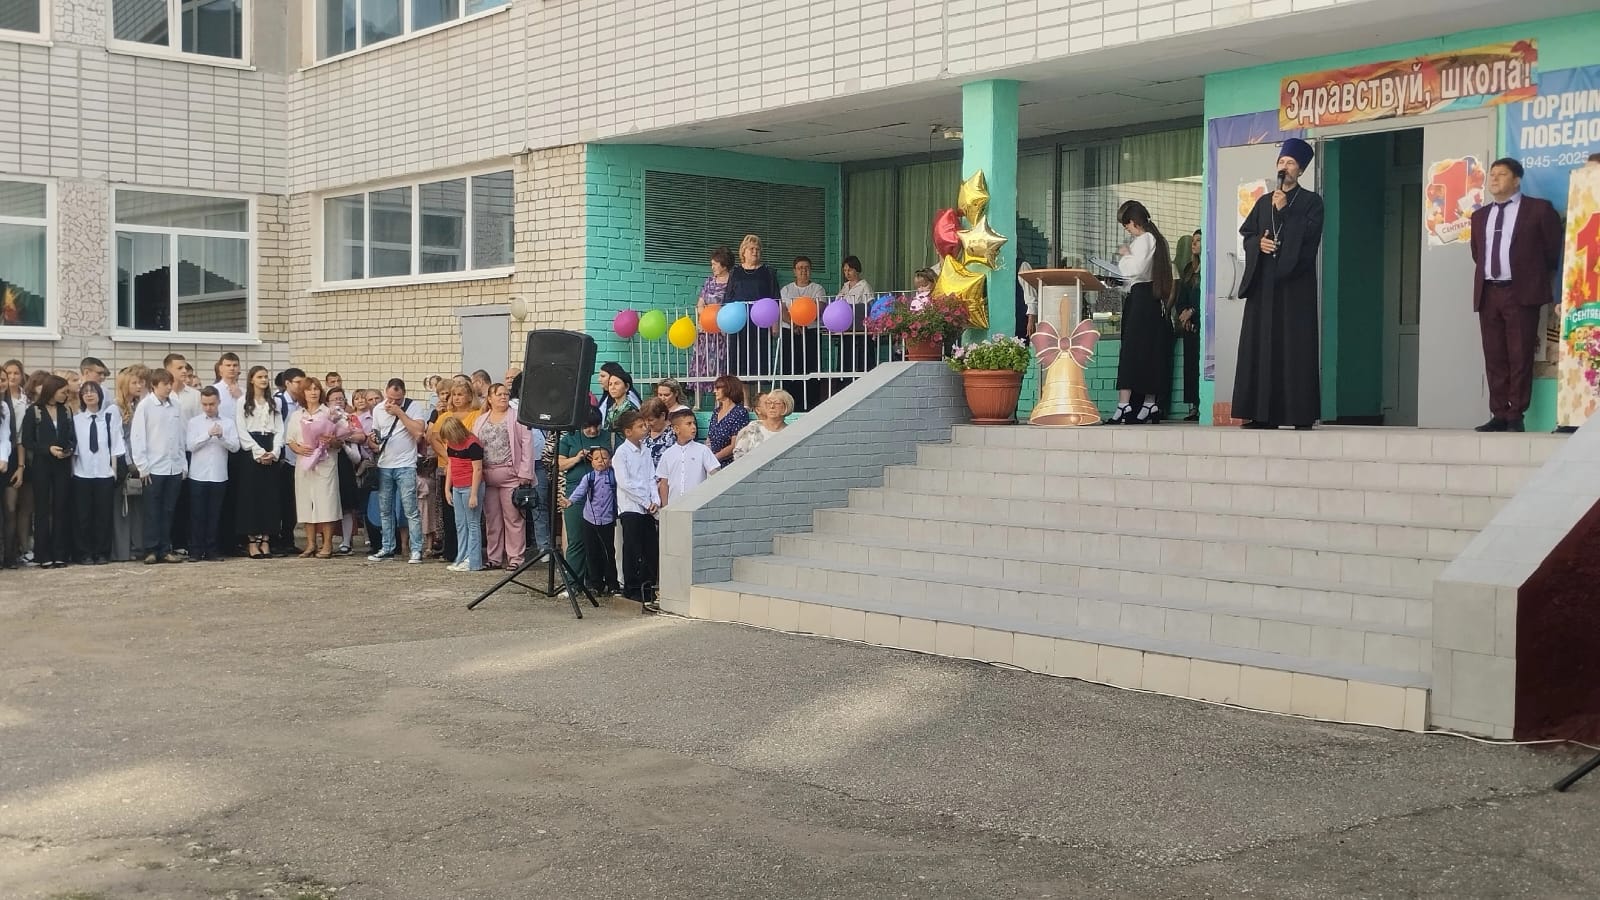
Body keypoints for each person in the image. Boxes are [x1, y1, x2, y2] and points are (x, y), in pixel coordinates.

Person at [1233, 137, 1326, 431]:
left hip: (1295, 287)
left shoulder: (1311, 202)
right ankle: (1262, 414)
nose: (1285, 167)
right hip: (1265, 284)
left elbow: (1309, 238)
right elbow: (1248, 234)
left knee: (1293, 346)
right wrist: (1257, 244)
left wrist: (1286, 210)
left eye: (1291, 163)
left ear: (1301, 170)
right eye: (1282, 162)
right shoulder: (1264, 201)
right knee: (1261, 344)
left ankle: (1299, 415)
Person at [1469, 157, 1563, 433]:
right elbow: (1477, 253)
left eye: (1501, 174)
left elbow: (1553, 252)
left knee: (1520, 354)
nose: (1494, 179)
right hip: (1489, 292)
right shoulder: (1480, 216)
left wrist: (1531, 275)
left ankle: (1515, 414)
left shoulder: (1538, 210)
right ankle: (1498, 413)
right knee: (1494, 355)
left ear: (1517, 180)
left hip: (1521, 292)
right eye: (1492, 174)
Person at [1109, 201, 1175, 425]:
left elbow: (1134, 270)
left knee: (1132, 351)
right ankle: (1149, 403)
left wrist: (1126, 255)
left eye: (1126, 224)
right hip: (1145, 298)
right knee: (1147, 351)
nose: (1126, 229)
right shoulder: (1153, 240)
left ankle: (1126, 404)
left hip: (1142, 301)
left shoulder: (1145, 239)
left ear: (1134, 221)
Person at [473, 383, 532, 571]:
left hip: (511, 475)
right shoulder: (480, 420)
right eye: (499, 394)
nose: (503, 397)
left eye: (506, 394)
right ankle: (494, 557)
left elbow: (527, 444)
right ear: (490, 398)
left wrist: (525, 472)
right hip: (487, 476)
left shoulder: (517, 418)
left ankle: (515, 558)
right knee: (492, 519)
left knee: (513, 518)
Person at [368, 378, 428, 564]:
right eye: (390, 398)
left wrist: (399, 412)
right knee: (385, 510)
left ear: (404, 395)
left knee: (410, 509)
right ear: (385, 392)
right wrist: (373, 441)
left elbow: (418, 432)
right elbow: (376, 435)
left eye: (398, 399)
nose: (393, 402)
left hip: (406, 465)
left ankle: (416, 549)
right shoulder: (378, 409)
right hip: (385, 464)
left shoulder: (413, 407)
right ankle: (387, 547)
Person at [131, 369, 186, 564]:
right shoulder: (145, 406)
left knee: (169, 510)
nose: (169, 387)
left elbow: (180, 436)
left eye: (170, 383)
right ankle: (151, 549)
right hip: (153, 467)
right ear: (154, 386)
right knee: (152, 510)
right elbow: (138, 436)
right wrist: (142, 466)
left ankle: (165, 548)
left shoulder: (176, 405)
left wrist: (183, 464)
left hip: (173, 466)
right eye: (165, 384)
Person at [21, 374, 74, 568]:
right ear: (52, 391)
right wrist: (47, 449)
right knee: (42, 509)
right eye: (63, 392)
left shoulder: (66, 410)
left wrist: (69, 449)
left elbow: (72, 436)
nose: (65, 395)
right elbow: (27, 441)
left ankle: (60, 553)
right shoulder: (34, 411)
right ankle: (42, 554)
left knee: (61, 507)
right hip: (41, 465)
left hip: (62, 464)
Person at [556, 407, 611, 586]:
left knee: (600, 540)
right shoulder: (569, 438)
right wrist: (577, 458)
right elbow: (559, 464)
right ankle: (574, 582)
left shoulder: (607, 436)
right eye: (588, 426)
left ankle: (598, 581)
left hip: (603, 491)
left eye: (596, 426)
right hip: (576, 491)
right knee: (576, 538)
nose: (593, 430)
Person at [235, 365, 285, 560]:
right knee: (251, 497)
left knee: (269, 497)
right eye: (259, 377)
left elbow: (280, 428)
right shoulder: (243, 402)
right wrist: (258, 451)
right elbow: (241, 429)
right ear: (251, 380)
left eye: (265, 377)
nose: (264, 380)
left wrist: (274, 451)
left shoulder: (274, 402)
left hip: (270, 443)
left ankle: (266, 539)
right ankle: (252, 541)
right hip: (252, 448)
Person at [185, 386, 239, 562]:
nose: (208, 408)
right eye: (205, 404)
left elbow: (235, 447)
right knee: (196, 514)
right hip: (198, 475)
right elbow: (190, 446)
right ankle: (195, 550)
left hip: (218, 474)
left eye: (212, 404)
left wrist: (222, 437)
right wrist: (207, 435)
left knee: (215, 514)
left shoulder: (228, 423)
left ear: (218, 402)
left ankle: (212, 550)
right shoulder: (194, 422)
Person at [611, 409, 659, 605]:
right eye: (640, 426)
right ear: (628, 431)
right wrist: (645, 501)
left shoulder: (646, 450)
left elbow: (651, 477)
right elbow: (625, 484)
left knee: (650, 548)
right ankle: (631, 588)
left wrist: (655, 500)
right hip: (631, 507)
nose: (644, 429)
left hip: (647, 507)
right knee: (632, 548)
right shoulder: (621, 454)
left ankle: (648, 588)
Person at [71, 381, 121, 565]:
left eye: (93, 391)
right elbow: (74, 448)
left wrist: (114, 471)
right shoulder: (76, 420)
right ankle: (84, 553)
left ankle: (101, 552)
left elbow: (116, 445)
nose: (89, 395)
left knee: (103, 516)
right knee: (82, 516)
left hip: (104, 473)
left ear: (100, 394)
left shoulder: (108, 418)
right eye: (85, 392)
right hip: (82, 473)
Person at [563, 444, 620, 596]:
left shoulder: (614, 477)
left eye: (604, 458)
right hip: (589, 520)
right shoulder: (589, 478)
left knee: (608, 553)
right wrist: (570, 501)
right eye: (596, 458)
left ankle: (612, 584)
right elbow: (580, 491)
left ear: (610, 461)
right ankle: (596, 584)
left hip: (607, 520)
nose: (601, 461)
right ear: (591, 462)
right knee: (592, 553)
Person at [726, 234, 780, 379]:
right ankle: (743, 392)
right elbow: (728, 297)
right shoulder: (735, 272)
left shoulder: (768, 272)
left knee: (759, 359)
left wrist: (775, 323)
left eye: (758, 249)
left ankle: (759, 391)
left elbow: (775, 297)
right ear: (743, 252)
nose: (755, 252)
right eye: (751, 249)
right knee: (739, 360)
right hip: (739, 321)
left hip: (761, 321)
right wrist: (725, 323)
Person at [111, 366, 148, 562]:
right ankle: (122, 550)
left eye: (141, 382)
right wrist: (129, 463)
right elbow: (118, 439)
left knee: (138, 507)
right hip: (123, 464)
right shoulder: (115, 408)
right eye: (134, 383)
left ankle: (138, 546)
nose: (139, 386)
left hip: (140, 462)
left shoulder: (140, 406)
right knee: (122, 508)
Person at [441, 415, 485, 572]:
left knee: (472, 523)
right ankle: (461, 557)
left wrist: (474, 494)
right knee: (460, 524)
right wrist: (447, 488)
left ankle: (473, 561)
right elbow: (451, 465)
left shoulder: (473, 444)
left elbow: (477, 470)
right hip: (457, 487)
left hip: (470, 486)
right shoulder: (451, 444)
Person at [326, 386, 365, 554]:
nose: (338, 401)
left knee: (347, 504)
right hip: (326, 460)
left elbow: (361, 436)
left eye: (341, 398)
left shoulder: (351, 418)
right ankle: (326, 541)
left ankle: (347, 541)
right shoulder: (323, 416)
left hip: (345, 461)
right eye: (335, 399)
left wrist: (344, 436)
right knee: (327, 502)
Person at [690, 247, 734, 396]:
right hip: (706, 330)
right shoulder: (709, 281)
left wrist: (719, 320)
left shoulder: (733, 282)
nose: (712, 267)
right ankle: (698, 402)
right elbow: (700, 304)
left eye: (715, 264)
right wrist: (707, 318)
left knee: (720, 368)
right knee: (700, 365)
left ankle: (719, 401)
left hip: (723, 332)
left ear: (724, 265)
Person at [656, 408, 719, 509]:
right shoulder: (667, 454)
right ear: (676, 429)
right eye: (688, 424)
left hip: (697, 506)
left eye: (694, 423)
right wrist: (665, 507)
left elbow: (716, 474)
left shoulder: (703, 450)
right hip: (674, 506)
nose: (693, 427)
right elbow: (664, 483)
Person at [2, 358, 30, 566]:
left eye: (15, 373)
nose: (10, 378)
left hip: (11, 458)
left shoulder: (18, 403)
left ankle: (10, 555)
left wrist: (20, 466)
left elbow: (13, 438)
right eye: (6, 375)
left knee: (11, 508)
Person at [1173, 229, 1203, 422]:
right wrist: (1184, 314)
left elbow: (1207, 296)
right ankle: (1193, 406)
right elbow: (1181, 296)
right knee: (1191, 365)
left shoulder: (1209, 268)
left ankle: (1204, 404)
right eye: (1193, 240)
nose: (1194, 244)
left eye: (1198, 240)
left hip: (1203, 323)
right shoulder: (1188, 269)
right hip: (1190, 326)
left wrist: (1193, 311)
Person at [733, 388, 793, 461]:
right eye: (768, 403)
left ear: (786, 407)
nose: (772, 406)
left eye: (777, 403)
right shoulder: (753, 428)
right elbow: (738, 454)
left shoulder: (790, 432)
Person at [707, 375, 750, 467]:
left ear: (729, 389)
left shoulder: (739, 412)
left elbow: (734, 445)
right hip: (712, 461)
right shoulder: (716, 412)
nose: (714, 391)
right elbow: (709, 439)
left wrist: (713, 459)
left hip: (729, 464)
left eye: (718, 388)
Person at [640, 398, 673, 467]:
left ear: (662, 415)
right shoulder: (643, 433)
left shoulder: (673, 435)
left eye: (650, 420)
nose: (647, 424)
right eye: (645, 420)